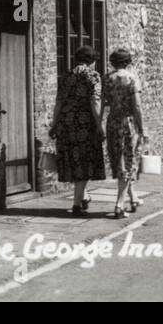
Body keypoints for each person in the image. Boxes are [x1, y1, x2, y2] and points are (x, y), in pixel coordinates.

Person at [48, 46, 106, 215]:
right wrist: (100, 125)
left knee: (74, 163)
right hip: (84, 125)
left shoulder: (66, 75)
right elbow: (95, 103)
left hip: (65, 124)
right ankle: (76, 205)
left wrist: (54, 124)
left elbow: (58, 102)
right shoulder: (93, 76)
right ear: (92, 61)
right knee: (85, 163)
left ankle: (84, 196)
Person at [102, 48, 146, 219]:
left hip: (112, 122)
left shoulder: (107, 78)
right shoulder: (132, 78)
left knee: (120, 160)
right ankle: (119, 204)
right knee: (129, 161)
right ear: (128, 62)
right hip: (127, 123)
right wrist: (142, 127)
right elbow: (136, 106)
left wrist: (100, 123)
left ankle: (133, 198)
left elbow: (102, 103)